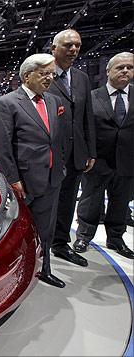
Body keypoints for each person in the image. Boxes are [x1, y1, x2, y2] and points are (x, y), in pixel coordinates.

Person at [0, 53, 67, 288]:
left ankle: (44, 269)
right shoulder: (7, 103)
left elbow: (54, 138)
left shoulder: (52, 101)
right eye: (44, 73)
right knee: (17, 232)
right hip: (23, 180)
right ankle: (15, 275)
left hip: (52, 176)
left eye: (52, 74)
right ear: (27, 75)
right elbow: (1, 147)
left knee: (47, 228)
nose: (49, 78)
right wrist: (13, 179)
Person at [73, 52, 134, 259]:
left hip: (127, 161)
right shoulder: (92, 97)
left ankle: (116, 238)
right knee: (90, 200)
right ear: (108, 71)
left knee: (120, 201)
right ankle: (83, 236)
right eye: (120, 67)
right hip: (97, 160)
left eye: (129, 67)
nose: (125, 71)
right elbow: (82, 129)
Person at [48, 29, 96, 267]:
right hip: (49, 154)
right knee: (46, 201)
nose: (74, 50)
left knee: (68, 201)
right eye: (68, 45)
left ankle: (60, 243)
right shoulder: (42, 74)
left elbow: (87, 117)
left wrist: (91, 151)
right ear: (54, 49)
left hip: (77, 153)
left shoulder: (81, 78)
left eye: (77, 45)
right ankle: (41, 245)